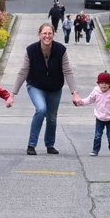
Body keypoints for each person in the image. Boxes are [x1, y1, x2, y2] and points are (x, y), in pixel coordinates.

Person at [12, 23, 82, 155]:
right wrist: (13, 94)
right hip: (36, 85)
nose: (47, 36)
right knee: (41, 109)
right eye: (44, 33)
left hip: (55, 88)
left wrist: (75, 93)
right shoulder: (31, 50)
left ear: (53, 35)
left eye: (50, 33)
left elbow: (67, 71)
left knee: (52, 118)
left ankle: (50, 145)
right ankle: (31, 145)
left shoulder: (61, 50)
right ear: (39, 34)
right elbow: (23, 71)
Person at [75, 72, 110, 156]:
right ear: (98, 83)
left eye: (106, 83)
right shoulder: (96, 92)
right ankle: (95, 150)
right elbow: (89, 100)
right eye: (102, 83)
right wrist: (80, 102)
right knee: (97, 135)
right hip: (99, 118)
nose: (104, 85)